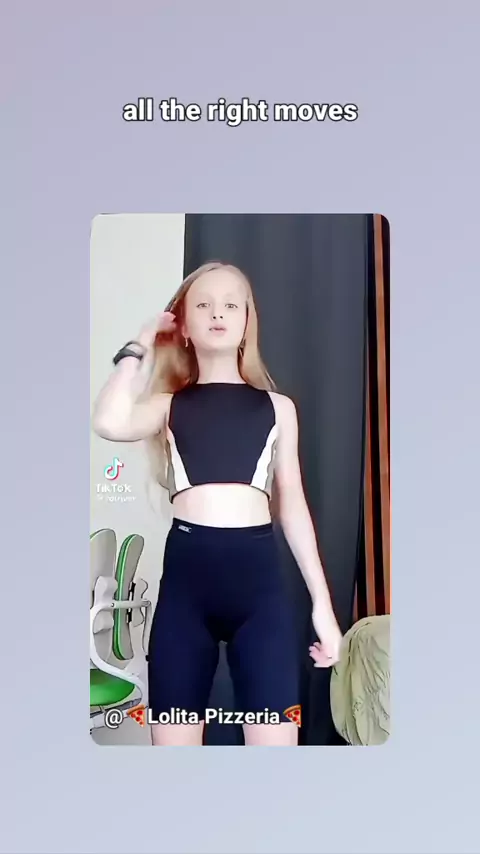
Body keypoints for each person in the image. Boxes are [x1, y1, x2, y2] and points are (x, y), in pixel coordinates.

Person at [92, 261, 342, 746]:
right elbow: (108, 421)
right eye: (203, 305)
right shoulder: (168, 404)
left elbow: (293, 507)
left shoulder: (278, 408)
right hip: (185, 594)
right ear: (184, 326)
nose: (217, 313)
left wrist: (323, 608)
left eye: (231, 304)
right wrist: (141, 344)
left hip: (260, 594)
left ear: (248, 321)